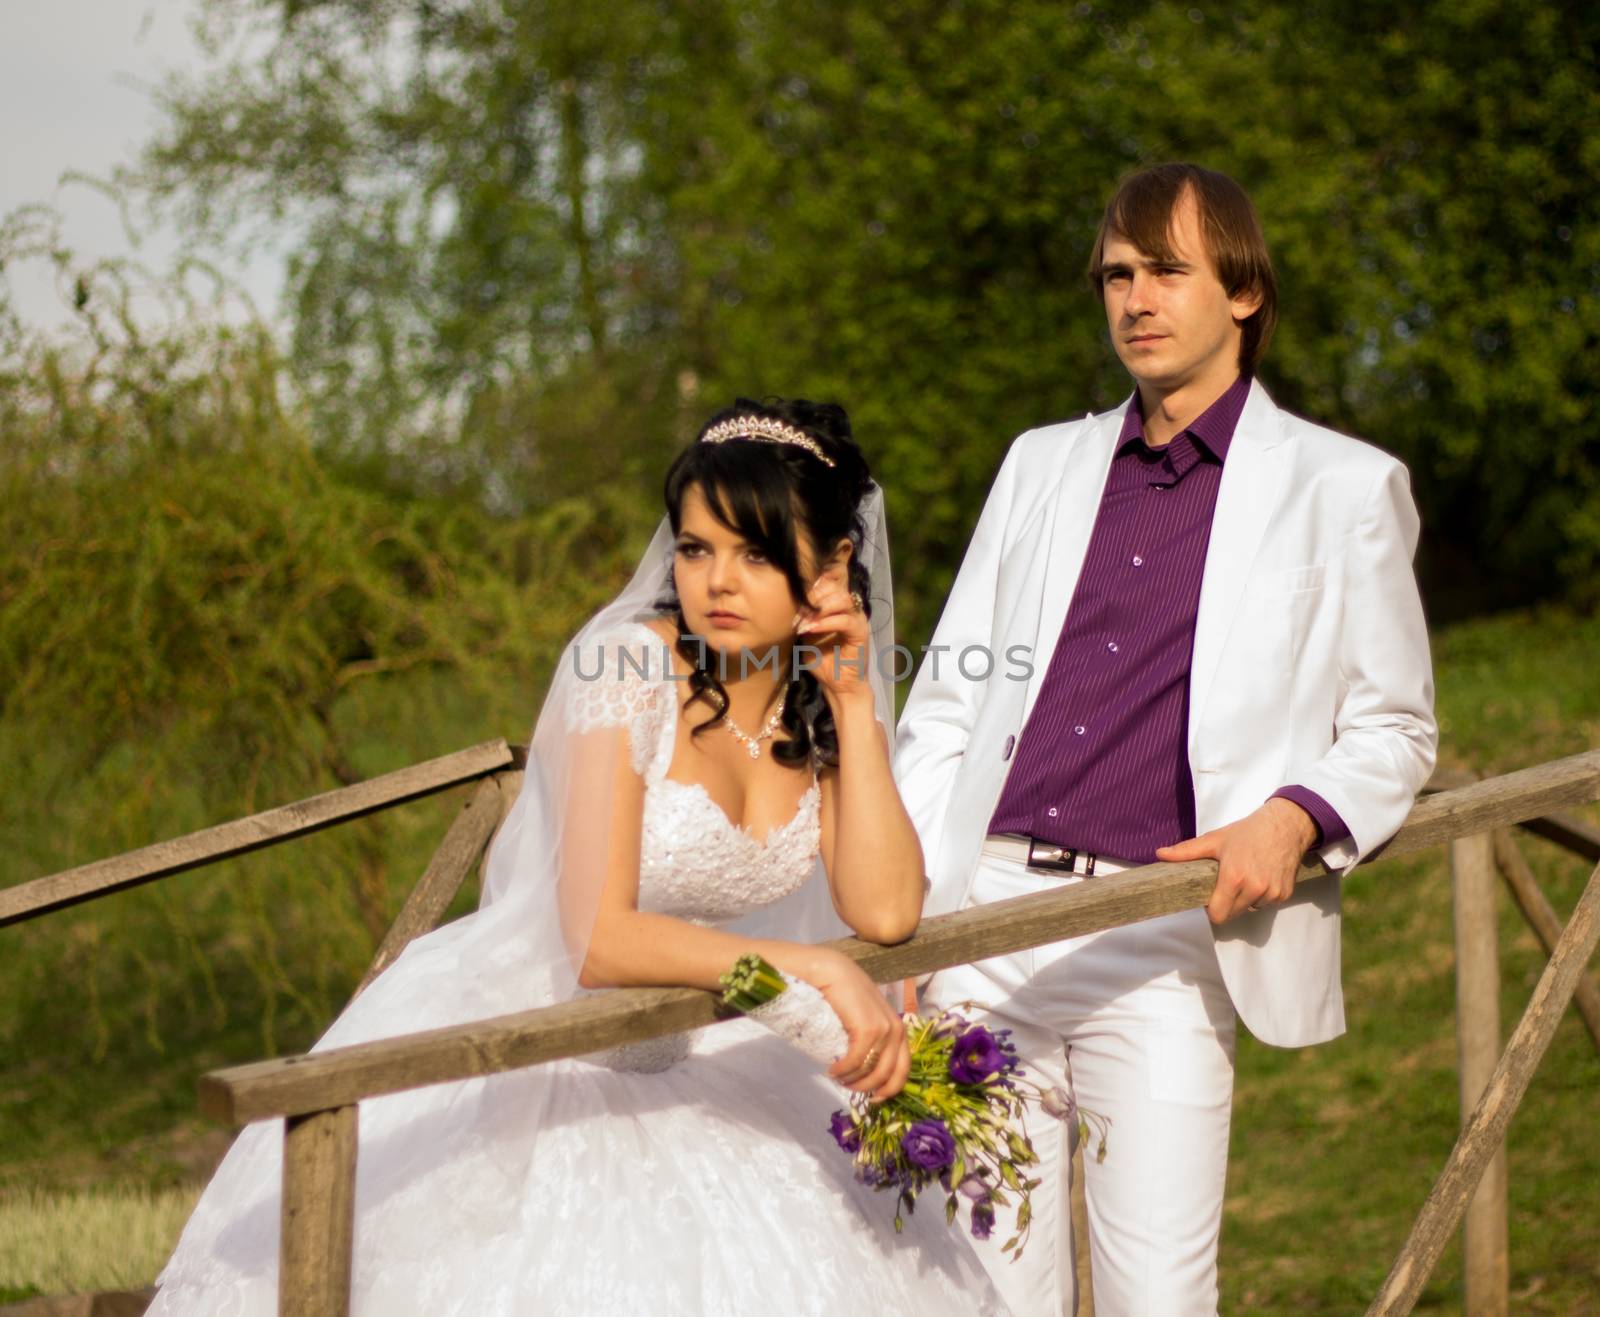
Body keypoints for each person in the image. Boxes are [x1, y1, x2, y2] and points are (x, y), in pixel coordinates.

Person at [150, 398, 1011, 1315]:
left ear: (833, 563)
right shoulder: (625, 672)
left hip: (696, 1044)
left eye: (755, 552)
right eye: (694, 547)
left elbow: (885, 912)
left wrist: (849, 702)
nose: (716, 580)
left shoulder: (812, 704)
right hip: (545, 1047)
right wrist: (804, 969)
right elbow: (598, 939)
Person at [894, 163, 1438, 1315]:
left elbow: (1393, 726)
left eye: (1167, 271)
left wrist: (1297, 817)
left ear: (1240, 290)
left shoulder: (1343, 486)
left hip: (1164, 938)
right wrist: (911, 921)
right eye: (1117, 274)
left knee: (1160, 1297)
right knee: (977, 1294)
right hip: (984, 926)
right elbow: (944, 702)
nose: (1136, 298)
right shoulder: (1041, 462)